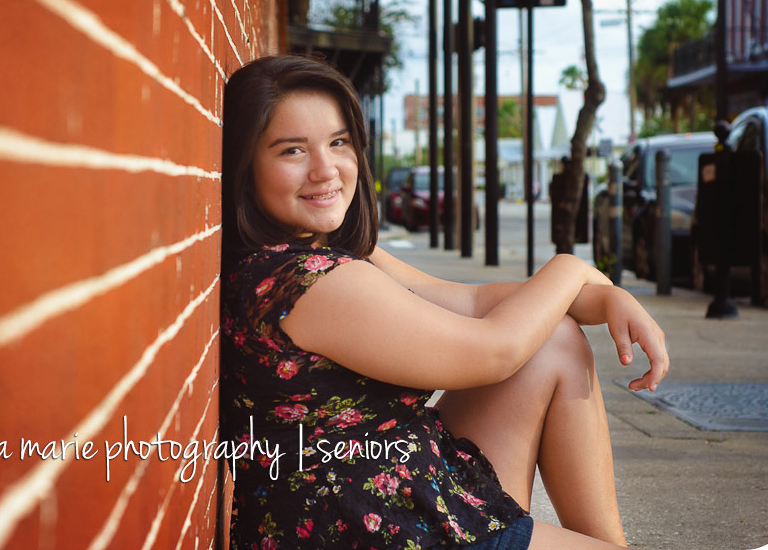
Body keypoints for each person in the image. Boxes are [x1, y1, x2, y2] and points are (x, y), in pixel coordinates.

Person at [220, 55, 669, 550]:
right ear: (247, 165)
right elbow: (494, 348)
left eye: (338, 142)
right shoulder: (308, 282)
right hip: (365, 528)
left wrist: (603, 297)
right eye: (292, 151)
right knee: (535, 338)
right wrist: (570, 265)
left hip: (400, 485)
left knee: (554, 340)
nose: (326, 170)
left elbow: (474, 302)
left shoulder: (325, 253)